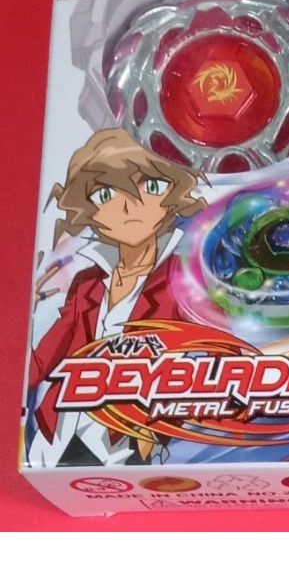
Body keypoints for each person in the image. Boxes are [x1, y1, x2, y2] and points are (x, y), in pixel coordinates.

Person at [27, 128, 207, 467]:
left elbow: (215, 361)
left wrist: (155, 430)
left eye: (152, 186)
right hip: (56, 438)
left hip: (122, 446)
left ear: (173, 194)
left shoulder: (182, 279)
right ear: (89, 210)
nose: (129, 205)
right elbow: (42, 361)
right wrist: (27, 313)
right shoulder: (88, 284)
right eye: (105, 194)